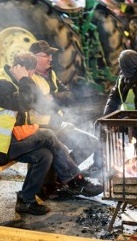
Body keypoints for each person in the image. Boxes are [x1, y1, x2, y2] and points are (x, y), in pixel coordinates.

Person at [0, 52, 102, 216]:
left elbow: (37, 101)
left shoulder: (16, 80)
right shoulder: (0, 84)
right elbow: (25, 103)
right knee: (47, 136)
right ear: (22, 70)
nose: (32, 76)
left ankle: (26, 200)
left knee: (44, 155)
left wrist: (55, 115)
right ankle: (76, 180)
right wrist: (25, 79)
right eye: (31, 73)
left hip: (6, 141)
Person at [28, 40, 101, 177]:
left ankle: (61, 177)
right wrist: (55, 99)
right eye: (47, 55)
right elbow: (42, 105)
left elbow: (70, 96)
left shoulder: (50, 74)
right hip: (41, 127)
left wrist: (53, 97)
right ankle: (69, 179)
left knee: (91, 142)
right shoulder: (29, 78)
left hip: (57, 123)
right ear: (34, 57)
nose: (51, 58)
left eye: (51, 55)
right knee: (51, 155)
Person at [104, 50, 137, 115]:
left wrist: (124, 122)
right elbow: (113, 98)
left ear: (124, 66)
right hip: (127, 118)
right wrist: (105, 118)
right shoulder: (122, 77)